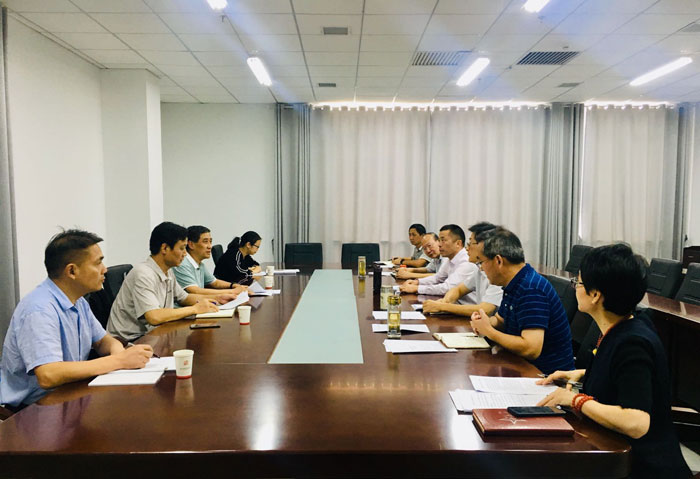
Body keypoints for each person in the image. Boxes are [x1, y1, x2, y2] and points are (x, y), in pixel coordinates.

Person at [537, 244, 691, 479]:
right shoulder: (628, 324)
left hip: (641, 467)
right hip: (615, 455)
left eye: (578, 283)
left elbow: (636, 422)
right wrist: (584, 373)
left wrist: (575, 400)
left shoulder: (632, 343)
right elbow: (624, 374)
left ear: (595, 295)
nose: (575, 287)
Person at [0, 230, 153, 410]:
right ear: (72, 271)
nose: (104, 269)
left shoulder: (79, 301)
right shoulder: (39, 309)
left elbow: (103, 341)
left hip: (69, 395)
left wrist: (119, 353)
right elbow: (48, 375)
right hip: (32, 408)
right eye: (98, 263)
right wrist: (120, 361)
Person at [469, 227, 574, 375]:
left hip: (547, 376)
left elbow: (531, 349)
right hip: (522, 367)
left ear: (498, 260)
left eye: (482, 262)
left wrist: (489, 331)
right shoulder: (515, 282)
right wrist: (484, 322)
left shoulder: (531, 289)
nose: (481, 269)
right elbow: (501, 320)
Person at [107, 222, 230, 342]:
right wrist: (195, 309)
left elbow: (184, 298)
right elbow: (154, 316)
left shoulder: (168, 271)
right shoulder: (143, 274)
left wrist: (217, 298)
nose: (185, 253)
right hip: (129, 341)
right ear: (165, 248)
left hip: (155, 334)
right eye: (182, 248)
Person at [423, 222, 503, 317]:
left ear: (483, 245)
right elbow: (458, 290)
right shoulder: (479, 269)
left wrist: (443, 307)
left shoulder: (498, 271)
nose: (467, 248)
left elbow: (485, 310)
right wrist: (445, 301)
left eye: (470, 243)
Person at [399, 224, 476, 296]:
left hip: (460, 305)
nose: (439, 245)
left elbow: (447, 288)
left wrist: (417, 288)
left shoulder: (466, 262)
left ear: (458, 243)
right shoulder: (449, 258)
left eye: (443, 240)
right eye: (439, 240)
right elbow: (437, 278)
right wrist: (417, 282)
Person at [173, 225, 248, 296]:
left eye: (210, 241)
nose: (210, 246)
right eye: (205, 241)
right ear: (191, 244)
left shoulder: (200, 264)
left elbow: (214, 282)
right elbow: (195, 291)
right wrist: (233, 291)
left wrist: (234, 286)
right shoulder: (182, 264)